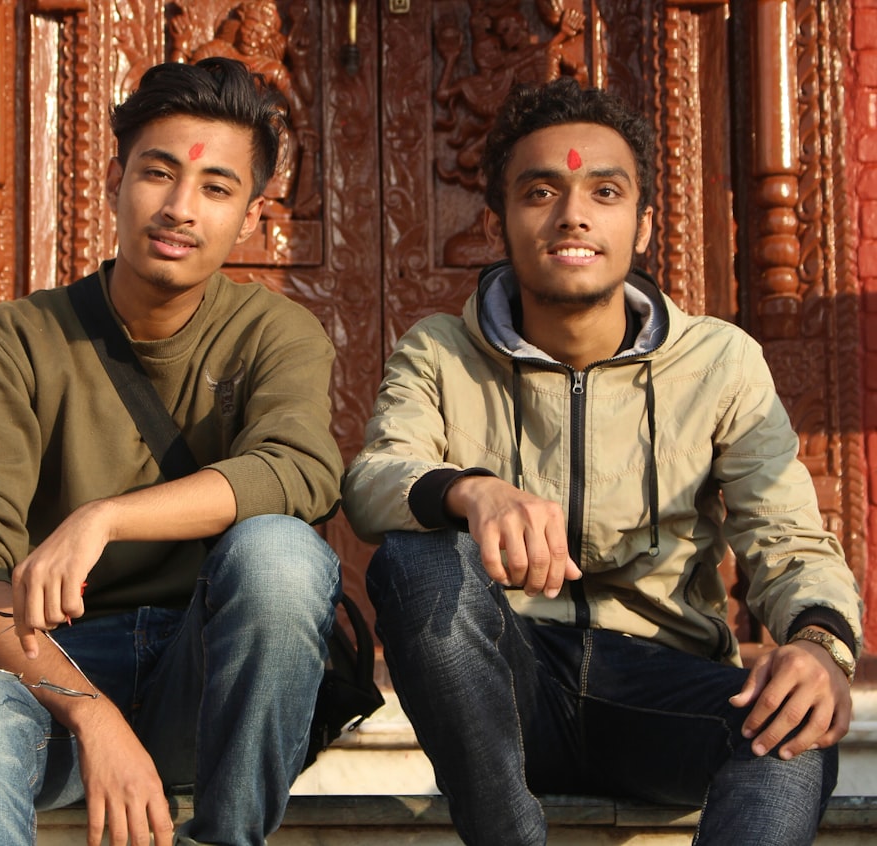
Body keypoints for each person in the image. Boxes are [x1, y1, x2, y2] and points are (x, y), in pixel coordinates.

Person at [343, 76, 863, 846]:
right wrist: (472, 491)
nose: (574, 215)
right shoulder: (441, 350)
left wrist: (820, 648)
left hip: (661, 683)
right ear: (498, 222)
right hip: (504, 686)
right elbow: (375, 476)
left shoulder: (719, 361)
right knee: (416, 566)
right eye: (542, 192)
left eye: (606, 192)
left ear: (644, 224)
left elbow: (786, 537)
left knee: (793, 741)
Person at [0, 57, 344, 846]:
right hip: (52, 667)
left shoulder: (275, 334)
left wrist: (106, 518)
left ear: (249, 216)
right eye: (158, 173)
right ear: (114, 179)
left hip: (208, 674)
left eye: (216, 188)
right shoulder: (16, 340)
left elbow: (299, 471)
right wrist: (90, 713)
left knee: (281, 554)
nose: (180, 208)